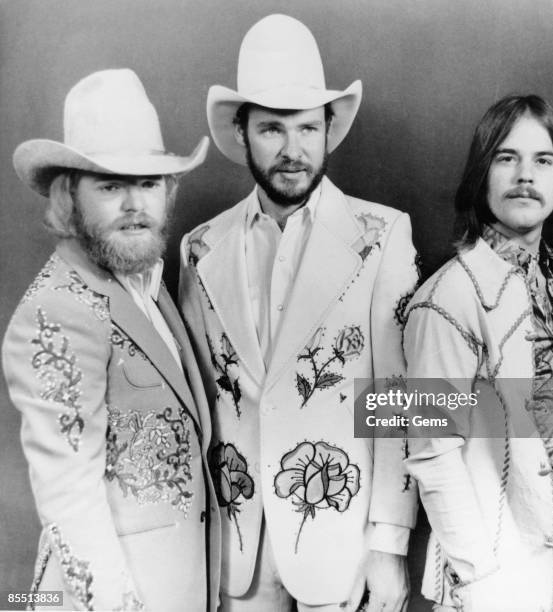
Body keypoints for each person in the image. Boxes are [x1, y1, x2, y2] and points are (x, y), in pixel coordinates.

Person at [179, 13, 419, 612]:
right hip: (238, 552)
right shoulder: (199, 247)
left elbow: (403, 394)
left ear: (329, 129)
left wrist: (389, 544)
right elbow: (201, 402)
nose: (293, 150)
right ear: (241, 134)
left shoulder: (381, 235)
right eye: (271, 129)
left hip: (343, 546)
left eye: (308, 128)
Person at [3, 69, 220, 612]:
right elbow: (70, 501)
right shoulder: (56, 310)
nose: (133, 204)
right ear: (68, 197)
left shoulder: (146, 280)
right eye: (110, 185)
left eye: (147, 183)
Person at [402, 95, 553, 611]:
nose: (525, 175)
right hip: (489, 577)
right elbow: (429, 448)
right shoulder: (446, 296)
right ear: (481, 175)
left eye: (543, 160)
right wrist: (479, 569)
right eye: (506, 157)